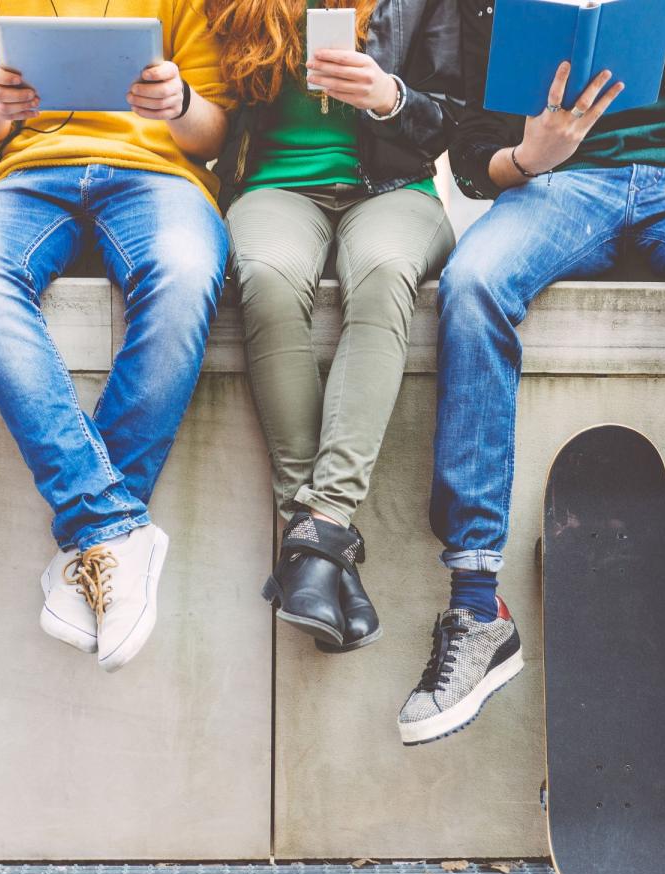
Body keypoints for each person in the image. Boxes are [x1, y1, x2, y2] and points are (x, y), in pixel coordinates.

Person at [398, 0, 665, 781]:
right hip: (562, 190)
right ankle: (476, 608)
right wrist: (531, 155)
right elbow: (473, 159)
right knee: (469, 287)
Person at [0, 0, 232, 673]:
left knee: (186, 273)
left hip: (159, 177)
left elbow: (213, 130)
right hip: (26, 176)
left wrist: (179, 102)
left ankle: (92, 542)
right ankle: (113, 527)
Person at [208, 0, 460, 653]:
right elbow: (210, 107)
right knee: (265, 276)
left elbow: (453, 118)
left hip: (395, 189)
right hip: (272, 186)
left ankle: (317, 528)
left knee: (382, 273)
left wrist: (389, 98)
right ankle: (321, 544)